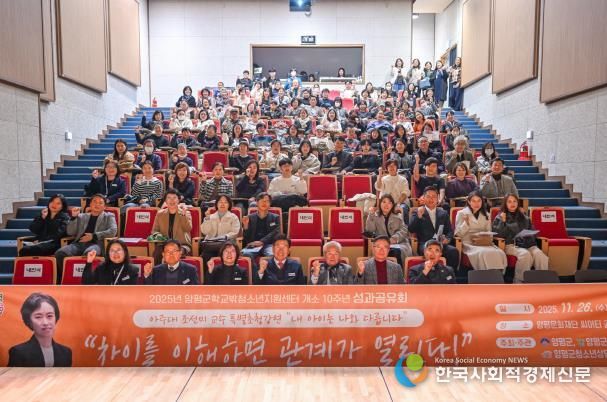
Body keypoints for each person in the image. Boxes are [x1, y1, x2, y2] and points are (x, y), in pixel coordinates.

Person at [54, 194, 117, 283]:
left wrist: (94, 236)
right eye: (94, 202)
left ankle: (88, 280)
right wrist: (74, 218)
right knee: (60, 253)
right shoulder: (82, 216)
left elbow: (113, 231)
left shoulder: (109, 216)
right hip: (78, 244)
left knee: (88, 254)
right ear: (90, 204)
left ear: (104, 206)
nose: (97, 204)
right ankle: (66, 277)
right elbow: (70, 232)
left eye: (100, 203)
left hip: (96, 244)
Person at [492, 193, 549, 283]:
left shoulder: (525, 217)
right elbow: (498, 235)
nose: (512, 204)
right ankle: (519, 282)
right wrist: (503, 221)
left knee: (540, 255)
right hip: (511, 245)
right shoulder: (500, 217)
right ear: (505, 204)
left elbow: (532, 232)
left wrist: (528, 237)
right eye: (509, 202)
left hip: (527, 244)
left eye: (514, 201)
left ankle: (541, 282)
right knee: (525, 254)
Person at [8, 293, 72, 367]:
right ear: (29, 321)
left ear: (56, 318)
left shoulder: (66, 352)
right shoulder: (18, 352)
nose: (45, 322)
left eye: (49, 316)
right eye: (38, 317)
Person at [408, 186, 460, 270]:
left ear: (438, 198)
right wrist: (418, 217)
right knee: (431, 252)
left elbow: (450, 231)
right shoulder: (417, 211)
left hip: (440, 243)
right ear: (423, 198)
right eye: (428, 196)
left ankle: (450, 274)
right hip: (425, 244)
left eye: (434, 197)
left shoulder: (443, 213)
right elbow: (411, 229)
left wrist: (447, 239)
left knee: (453, 251)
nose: (431, 199)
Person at [454, 191, 507, 271]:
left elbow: (489, 232)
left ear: (482, 202)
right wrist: (466, 223)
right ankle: (483, 275)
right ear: (469, 202)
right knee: (483, 253)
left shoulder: (486, 214)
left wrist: (485, 238)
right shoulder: (461, 213)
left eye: (479, 201)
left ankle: (497, 276)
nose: (476, 203)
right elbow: (458, 234)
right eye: (474, 201)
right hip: (469, 243)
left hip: (484, 242)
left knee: (499, 252)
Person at [365, 194, 412, 264]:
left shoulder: (398, 216)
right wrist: (371, 215)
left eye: (389, 203)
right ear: (380, 204)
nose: (386, 205)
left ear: (392, 205)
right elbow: (370, 230)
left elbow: (404, 229)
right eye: (384, 202)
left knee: (396, 251)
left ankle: (397, 270)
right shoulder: (375, 216)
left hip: (399, 243)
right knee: (388, 251)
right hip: (382, 243)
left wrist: (394, 239)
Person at [200, 195, 241, 275]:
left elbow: (235, 232)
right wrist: (207, 219)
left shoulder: (233, 217)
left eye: (225, 202)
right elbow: (204, 231)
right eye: (220, 202)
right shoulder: (211, 217)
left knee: (225, 251)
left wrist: (225, 236)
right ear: (216, 204)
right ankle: (209, 276)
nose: (222, 204)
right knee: (206, 254)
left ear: (229, 205)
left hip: (227, 244)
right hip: (211, 245)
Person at [150, 189, 193, 263]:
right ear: (165, 201)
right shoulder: (160, 214)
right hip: (164, 244)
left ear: (178, 200)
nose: (172, 200)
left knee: (176, 253)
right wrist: (160, 236)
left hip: (182, 244)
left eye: (174, 198)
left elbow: (187, 229)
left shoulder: (186, 213)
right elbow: (154, 231)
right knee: (157, 253)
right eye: (169, 198)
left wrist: (183, 215)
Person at [241, 192, 281, 261]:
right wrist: (246, 226)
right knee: (246, 255)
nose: (264, 203)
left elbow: (275, 233)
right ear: (257, 202)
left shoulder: (275, 217)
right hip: (253, 245)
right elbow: (246, 238)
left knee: (272, 255)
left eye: (267, 201)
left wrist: (261, 242)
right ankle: (256, 268)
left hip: (269, 245)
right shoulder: (250, 217)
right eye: (262, 201)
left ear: (270, 204)